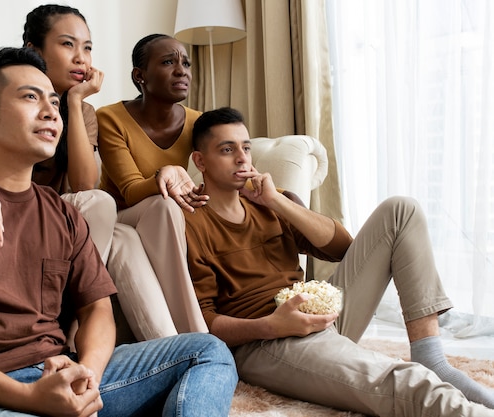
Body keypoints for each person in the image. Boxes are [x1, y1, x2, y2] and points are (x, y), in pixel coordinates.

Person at [0, 47, 238, 417]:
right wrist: (29, 399)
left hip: (55, 372)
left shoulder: (60, 210)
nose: (50, 112)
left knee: (208, 351)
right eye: (30, 97)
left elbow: (97, 310)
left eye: (54, 102)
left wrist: (86, 380)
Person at [184, 106, 494, 416]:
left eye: (246, 148)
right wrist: (270, 326)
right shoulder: (191, 223)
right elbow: (205, 322)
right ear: (200, 161)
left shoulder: (269, 201)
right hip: (267, 342)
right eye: (227, 150)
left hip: (320, 315)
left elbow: (344, 248)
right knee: (407, 384)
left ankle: (430, 356)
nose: (242, 158)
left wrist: (278, 202)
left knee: (401, 210)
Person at [0, 4, 115, 263]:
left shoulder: (82, 111)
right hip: (1, 205)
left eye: (87, 47)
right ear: (33, 50)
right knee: (109, 215)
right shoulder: (0, 99)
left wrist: (73, 103)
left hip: (53, 214)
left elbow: (84, 185)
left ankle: (81, 296)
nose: (81, 58)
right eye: (67, 44)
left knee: (123, 235)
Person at [97, 34, 208, 336]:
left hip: (168, 217)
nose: (181, 70)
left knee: (173, 207)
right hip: (122, 218)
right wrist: (167, 171)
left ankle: (193, 341)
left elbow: (225, 173)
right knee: (163, 205)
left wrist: (277, 195)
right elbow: (131, 190)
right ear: (140, 75)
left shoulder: (198, 123)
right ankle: (198, 338)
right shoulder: (110, 118)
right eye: (168, 62)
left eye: (185, 63)